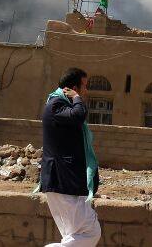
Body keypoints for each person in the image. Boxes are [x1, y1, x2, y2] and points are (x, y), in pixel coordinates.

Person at [37, 67, 100, 247]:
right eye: (84, 86)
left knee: (75, 235)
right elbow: (78, 116)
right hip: (62, 181)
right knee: (90, 232)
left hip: (65, 182)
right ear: (73, 88)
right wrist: (77, 98)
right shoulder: (56, 104)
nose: (86, 91)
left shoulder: (60, 104)